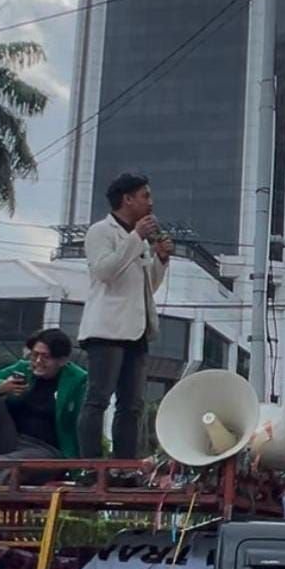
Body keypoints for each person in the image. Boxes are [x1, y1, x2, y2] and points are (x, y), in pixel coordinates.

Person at [77, 173, 173, 459]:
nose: (151, 202)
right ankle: (90, 466)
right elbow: (105, 272)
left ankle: (124, 467)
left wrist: (160, 259)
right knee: (98, 400)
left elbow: (147, 287)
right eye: (145, 196)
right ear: (127, 199)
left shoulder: (138, 240)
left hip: (136, 330)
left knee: (132, 405)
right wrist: (136, 238)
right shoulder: (101, 231)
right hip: (106, 330)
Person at [0, 328, 87, 465]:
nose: (38, 361)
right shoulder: (24, 369)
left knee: (5, 464)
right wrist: (1, 387)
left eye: (46, 357)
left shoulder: (78, 380)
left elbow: (84, 424)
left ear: (62, 360)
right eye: (34, 355)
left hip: (47, 450)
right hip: (12, 438)